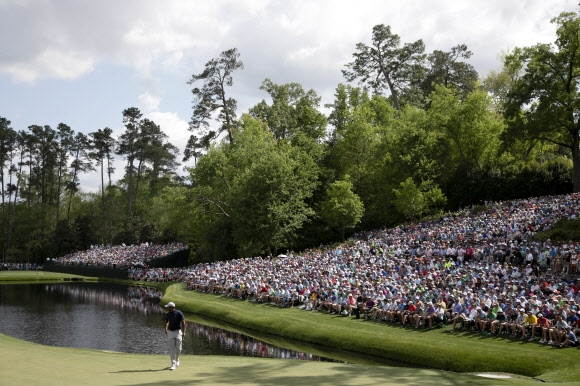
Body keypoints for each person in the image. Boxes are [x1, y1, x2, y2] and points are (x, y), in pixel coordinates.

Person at [163, 301, 186, 370]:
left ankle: (177, 359)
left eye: (168, 307)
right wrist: (166, 328)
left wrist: (184, 332)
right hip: (170, 332)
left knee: (178, 348)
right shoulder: (168, 314)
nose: (167, 308)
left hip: (178, 332)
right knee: (171, 348)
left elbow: (183, 322)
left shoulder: (179, 313)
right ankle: (173, 364)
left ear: (171, 307)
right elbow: (167, 322)